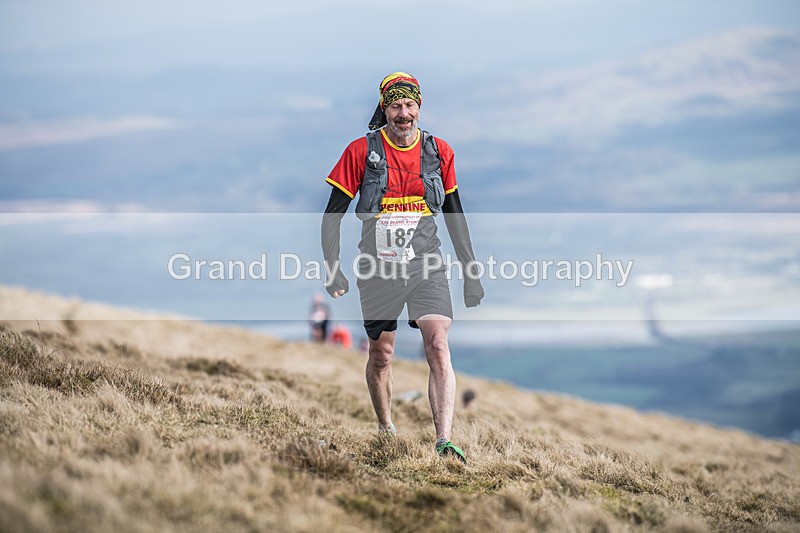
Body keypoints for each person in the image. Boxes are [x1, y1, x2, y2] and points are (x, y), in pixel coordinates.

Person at [321, 72, 484, 463]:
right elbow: (331, 216)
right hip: (377, 268)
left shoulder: (439, 152)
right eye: (395, 105)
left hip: (426, 263)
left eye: (410, 105)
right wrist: (333, 269)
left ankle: (443, 440)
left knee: (438, 343)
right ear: (385, 109)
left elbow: (455, 213)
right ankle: (386, 427)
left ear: (419, 107)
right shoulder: (360, 152)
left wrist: (470, 271)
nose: (404, 113)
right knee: (382, 354)